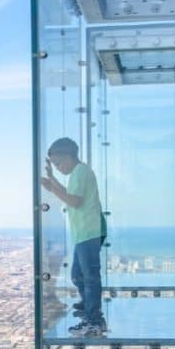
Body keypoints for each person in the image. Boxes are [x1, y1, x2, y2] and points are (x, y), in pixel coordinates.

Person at [40, 137, 106, 337]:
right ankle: (88, 305)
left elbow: (74, 201)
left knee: (89, 276)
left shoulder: (80, 173)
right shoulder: (79, 172)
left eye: (58, 163)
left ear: (68, 157)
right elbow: (71, 194)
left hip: (89, 232)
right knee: (77, 274)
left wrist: (52, 187)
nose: (58, 168)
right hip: (85, 232)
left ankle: (94, 321)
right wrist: (53, 181)